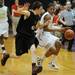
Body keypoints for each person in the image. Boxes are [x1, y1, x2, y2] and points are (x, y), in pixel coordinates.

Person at [35, 3, 68, 71]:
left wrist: (59, 28)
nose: (53, 10)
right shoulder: (48, 16)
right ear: (47, 9)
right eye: (51, 9)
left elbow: (50, 26)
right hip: (42, 35)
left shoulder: (50, 15)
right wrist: (59, 29)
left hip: (47, 34)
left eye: (54, 9)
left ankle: (51, 63)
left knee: (58, 44)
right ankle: (41, 60)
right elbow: (46, 29)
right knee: (53, 50)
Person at [15, 1, 44, 75]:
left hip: (30, 36)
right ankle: (7, 56)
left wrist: (43, 25)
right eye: (40, 9)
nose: (42, 10)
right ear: (36, 9)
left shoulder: (37, 16)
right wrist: (23, 9)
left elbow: (36, 27)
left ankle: (33, 69)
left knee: (33, 50)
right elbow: (18, 11)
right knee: (17, 56)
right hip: (22, 36)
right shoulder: (29, 13)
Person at [0, 0, 10, 66]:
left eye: (2, 0)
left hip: (5, 24)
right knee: (0, 38)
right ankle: (4, 52)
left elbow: (9, 15)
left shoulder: (6, 8)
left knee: (5, 38)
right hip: (0, 24)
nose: (1, 1)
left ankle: (3, 51)